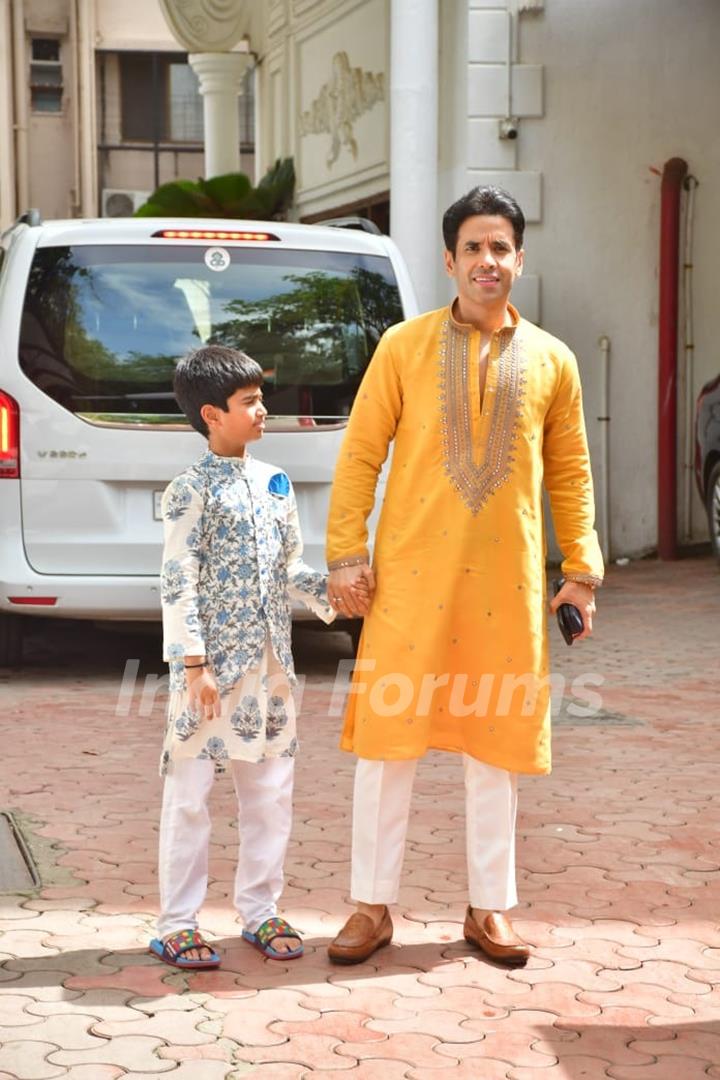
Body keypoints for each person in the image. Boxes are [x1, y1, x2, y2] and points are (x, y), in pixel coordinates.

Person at [325, 186, 603, 966]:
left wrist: (581, 571)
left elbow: (572, 472)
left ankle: (489, 910)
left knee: (496, 744)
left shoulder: (554, 359)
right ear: (449, 261)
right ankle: (370, 907)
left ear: (520, 258)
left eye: (501, 247)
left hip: (505, 585)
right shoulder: (403, 348)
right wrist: (347, 555)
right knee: (387, 746)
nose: (488, 261)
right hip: (410, 579)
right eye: (473, 248)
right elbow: (360, 455)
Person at [150, 345, 364, 969]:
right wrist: (194, 664)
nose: (262, 409)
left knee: (270, 793)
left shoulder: (275, 482)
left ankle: (261, 910)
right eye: (250, 402)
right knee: (190, 795)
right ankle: (176, 922)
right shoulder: (188, 490)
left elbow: (287, 568)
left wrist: (334, 594)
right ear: (212, 415)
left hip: (271, 670)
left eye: (260, 398)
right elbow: (177, 578)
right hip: (209, 674)